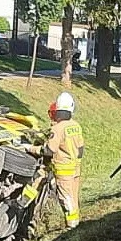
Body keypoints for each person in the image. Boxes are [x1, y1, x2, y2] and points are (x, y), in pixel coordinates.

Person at [46, 91, 85, 229]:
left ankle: (72, 226)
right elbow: (80, 150)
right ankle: (76, 223)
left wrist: (31, 149)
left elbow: (49, 150)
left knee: (66, 199)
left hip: (63, 171)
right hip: (75, 169)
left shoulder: (57, 129)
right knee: (74, 197)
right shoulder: (76, 125)